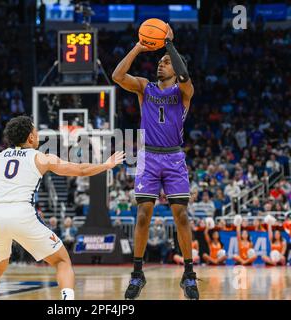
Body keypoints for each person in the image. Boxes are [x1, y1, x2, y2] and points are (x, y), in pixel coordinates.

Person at [0, 115, 125, 300]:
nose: (38, 134)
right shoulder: (41, 158)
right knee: (62, 260)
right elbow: (80, 170)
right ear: (30, 137)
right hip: (22, 214)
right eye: (35, 130)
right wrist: (106, 165)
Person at [112, 24, 199, 299]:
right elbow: (117, 76)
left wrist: (169, 45)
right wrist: (139, 46)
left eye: (165, 63)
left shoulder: (184, 91)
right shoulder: (144, 87)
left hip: (174, 157)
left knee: (181, 216)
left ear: (175, 67)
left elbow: (184, 75)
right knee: (142, 216)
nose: (160, 66)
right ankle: (137, 274)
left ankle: (188, 274)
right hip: (148, 156)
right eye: (159, 62)